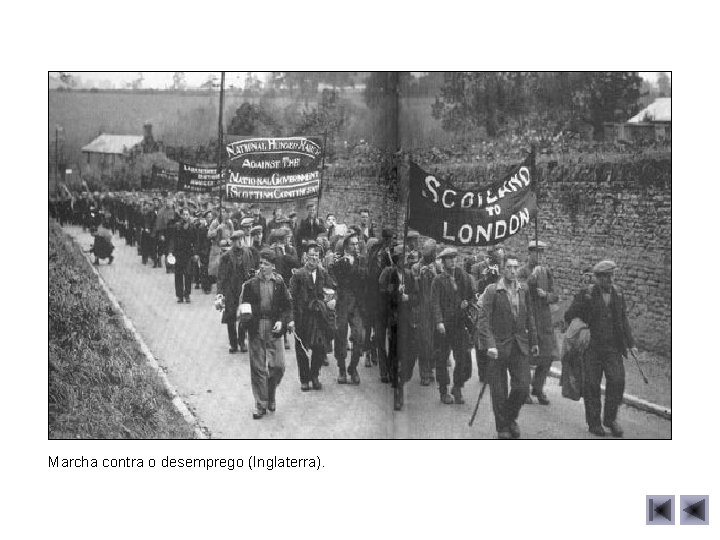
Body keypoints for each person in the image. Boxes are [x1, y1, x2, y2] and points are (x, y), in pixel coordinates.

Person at [563, 260, 637, 437]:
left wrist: (631, 344)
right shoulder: (586, 294)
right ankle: (594, 423)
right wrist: (582, 326)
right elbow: (569, 315)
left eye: (612, 275)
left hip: (613, 348)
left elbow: (623, 320)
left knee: (617, 381)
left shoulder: (618, 294)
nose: (610, 279)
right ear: (598, 278)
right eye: (606, 276)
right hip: (591, 349)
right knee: (591, 385)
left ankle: (610, 419)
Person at [483, 253, 539, 439]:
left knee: (523, 387)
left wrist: (534, 342)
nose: (513, 270)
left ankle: (509, 417)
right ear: (502, 268)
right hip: (498, 348)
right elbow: (484, 321)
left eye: (516, 267)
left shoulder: (523, 290)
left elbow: (529, 316)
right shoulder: (493, 290)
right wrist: (490, 345)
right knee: (499, 391)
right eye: (509, 267)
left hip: (519, 346)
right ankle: (503, 428)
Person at [239, 248, 294, 419]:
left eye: (266, 264)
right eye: (261, 263)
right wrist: (244, 314)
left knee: (278, 366)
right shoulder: (250, 284)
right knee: (258, 368)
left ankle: (270, 393)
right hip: (256, 327)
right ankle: (260, 404)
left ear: (273, 267)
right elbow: (243, 304)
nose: (262, 267)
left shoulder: (279, 283)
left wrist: (282, 321)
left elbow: (287, 306)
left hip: (273, 328)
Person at [431, 247, 476, 405]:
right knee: (442, 359)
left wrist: (467, 302)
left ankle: (457, 386)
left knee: (463, 358)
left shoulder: (463, 276)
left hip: (459, 323)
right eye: (448, 258)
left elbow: (471, 296)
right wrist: (439, 322)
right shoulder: (438, 280)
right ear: (443, 262)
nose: (452, 261)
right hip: (444, 325)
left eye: (454, 258)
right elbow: (435, 303)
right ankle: (444, 390)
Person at [289, 243, 335, 391]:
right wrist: (291, 319)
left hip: (319, 317)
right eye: (310, 256)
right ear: (305, 257)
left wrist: (332, 299)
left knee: (320, 347)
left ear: (320, 258)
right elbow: (291, 298)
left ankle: (314, 375)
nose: (313, 259)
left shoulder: (323, 273)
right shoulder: (298, 275)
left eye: (316, 256)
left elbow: (332, 290)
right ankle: (304, 379)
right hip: (303, 317)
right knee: (301, 348)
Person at [519, 240, 559, 405]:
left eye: (542, 253)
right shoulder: (522, 271)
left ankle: (538, 387)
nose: (539, 256)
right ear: (529, 253)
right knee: (528, 356)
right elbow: (519, 290)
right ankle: (525, 389)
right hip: (529, 317)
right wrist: (531, 279)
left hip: (544, 319)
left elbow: (555, 295)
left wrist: (546, 295)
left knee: (547, 356)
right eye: (536, 252)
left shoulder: (547, 272)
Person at [330, 232, 366, 385]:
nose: (356, 246)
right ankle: (342, 368)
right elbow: (336, 281)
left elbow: (366, 278)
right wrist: (343, 263)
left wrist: (356, 264)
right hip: (343, 303)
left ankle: (353, 367)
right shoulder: (339, 263)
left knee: (359, 336)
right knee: (340, 335)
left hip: (357, 304)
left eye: (357, 243)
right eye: (352, 244)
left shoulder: (362, 261)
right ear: (346, 247)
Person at [217, 231, 253, 353]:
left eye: (241, 239)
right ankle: (233, 343)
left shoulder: (248, 253)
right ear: (233, 241)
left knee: (244, 315)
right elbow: (221, 276)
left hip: (244, 289)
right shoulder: (226, 256)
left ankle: (242, 341)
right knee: (231, 317)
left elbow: (252, 271)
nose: (240, 241)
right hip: (230, 290)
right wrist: (220, 293)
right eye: (237, 239)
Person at [413, 239, 441, 385]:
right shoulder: (416, 267)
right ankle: (424, 372)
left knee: (436, 341)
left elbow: (444, 285)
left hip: (437, 309)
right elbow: (413, 289)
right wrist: (419, 277)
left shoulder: (438, 266)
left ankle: (431, 368)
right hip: (423, 309)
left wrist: (435, 273)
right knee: (425, 341)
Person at [168, 206, 198, 304]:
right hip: (178, 254)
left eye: (187, 214)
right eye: (184, 214)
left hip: (188, 254)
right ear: (181, 215)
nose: (185, 216)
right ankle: (180, 295)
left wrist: (195, 253)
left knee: (188, 275)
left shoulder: (192, 227)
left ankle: (187, 294)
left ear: (189, 215)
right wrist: (171, 252)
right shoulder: (177, 226)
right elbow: (172, 239)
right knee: (178, 275)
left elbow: (196, 241)